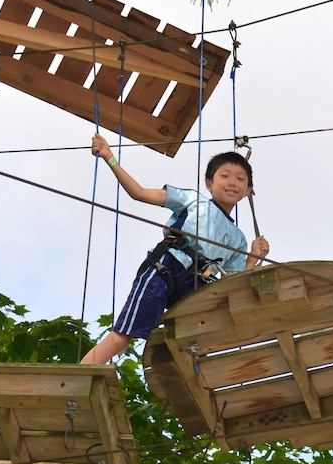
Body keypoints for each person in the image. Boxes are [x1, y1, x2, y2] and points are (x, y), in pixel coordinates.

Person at [80, 133, 269, 364]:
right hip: (166, 268)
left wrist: (253, 257)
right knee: (122, 337)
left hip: (197, 284)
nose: (232, 182)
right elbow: (138, 193)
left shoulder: (238, 239)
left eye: (240, 179)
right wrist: (110, 157)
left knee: (199, 340)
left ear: (248, 190)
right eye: (225, 176)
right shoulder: (191, 200)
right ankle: (83, 373)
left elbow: (234, 282)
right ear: (209, 183)